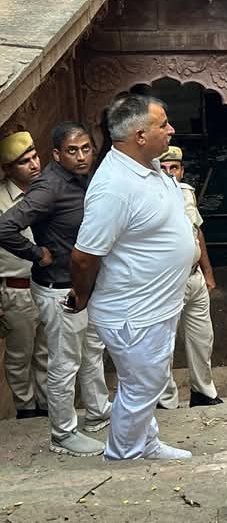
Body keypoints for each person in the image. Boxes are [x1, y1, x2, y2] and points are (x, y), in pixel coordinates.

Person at [70, 94, 196, 461]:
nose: (171, 130)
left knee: (147, 382)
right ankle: (123, 455)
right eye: (163, 124)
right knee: (142, 386)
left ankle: (146, 442)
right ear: (140, 136)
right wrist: (82, 295)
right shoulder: (114, 186)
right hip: (134, 311)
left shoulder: (150, 166)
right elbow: (83, 256)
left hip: (158, 305)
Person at [0, 122, 111, 456]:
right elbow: (4, 227)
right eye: (72, 151)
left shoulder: (80, 179)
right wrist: (37, 254)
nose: (81, 156)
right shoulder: (49, 187)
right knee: (64, 363)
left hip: (82, 286)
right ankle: (63, 434)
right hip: (59, 289)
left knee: (91, 350)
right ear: (58, 155)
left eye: (86, 149)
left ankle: (98, 412)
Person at [157, 145, 223, 409]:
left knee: (202, 338)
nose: (169, 173)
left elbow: (197, 232)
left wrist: (208, 271)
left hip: (194, 276)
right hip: (167, 280)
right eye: (163, 168)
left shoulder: (186, 192)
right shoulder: (149, 196)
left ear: (181, 170)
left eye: (173, 168)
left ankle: (203, 392)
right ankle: (166, 400)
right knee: (164, 343)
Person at [0, 130, 48, 418]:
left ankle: (46, 407)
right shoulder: (1, 200)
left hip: (46, 285)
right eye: (24, 161)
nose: (34, 164)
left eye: (34, 156)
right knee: (20, 356)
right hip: (15, 290)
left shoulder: (47, 189)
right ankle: (26, 412)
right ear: (8, 169)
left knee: (46, 353)